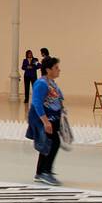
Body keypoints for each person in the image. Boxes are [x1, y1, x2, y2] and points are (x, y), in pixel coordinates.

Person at [26, 56, 65, 185]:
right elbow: (36, 102)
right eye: (56, 68)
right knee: (52, 143)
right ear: (48, 70)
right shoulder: (41, 83)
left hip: (52, 118)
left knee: (48, 144)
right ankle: (44, 172)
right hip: (44, 119)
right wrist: (46, 122)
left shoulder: (51, 82)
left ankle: (41, 171)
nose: (59, 70)